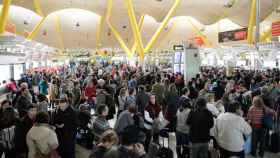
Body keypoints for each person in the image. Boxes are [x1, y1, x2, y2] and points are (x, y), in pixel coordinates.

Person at [53, 94, 78, 158]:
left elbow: (76, 124)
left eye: (63, 107)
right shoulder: (58, 110)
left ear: (67, 104)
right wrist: (56, 124)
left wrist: (65, 125)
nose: (62, 108)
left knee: (69, 152)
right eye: (60, 106)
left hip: (69, 135)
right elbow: (54, 119)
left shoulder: (73, 112)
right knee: (61, 151)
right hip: (59, 134)